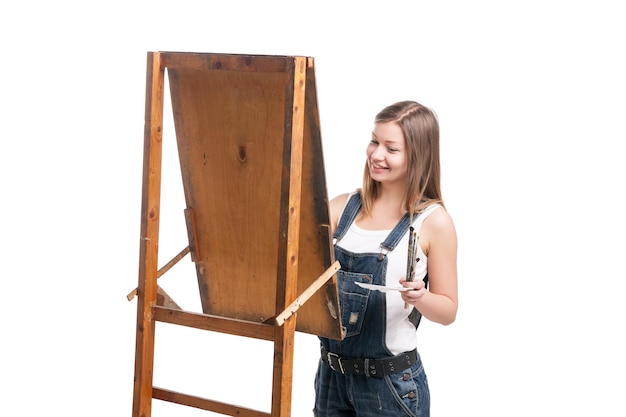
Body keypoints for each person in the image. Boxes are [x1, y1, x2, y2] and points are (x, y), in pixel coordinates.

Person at [314, 100, 458, 417]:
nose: (376, 155)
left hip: (389, 387)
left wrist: (421, 297)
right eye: (374, 141)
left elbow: (448, 310)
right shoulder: (341, 208)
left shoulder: (433, 222)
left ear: (417, 156)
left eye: (391, 149)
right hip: (331, 379)